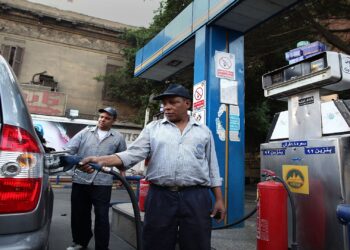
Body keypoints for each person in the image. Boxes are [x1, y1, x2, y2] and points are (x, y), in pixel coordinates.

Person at [81, 84, 226, 250]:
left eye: (173, 102)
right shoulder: (153, 129)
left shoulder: (203, 132)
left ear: (187, 103)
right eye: (165, 103)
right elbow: (132, 154)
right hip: (160, 196)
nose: (167, 107)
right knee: (156, 242)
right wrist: (101, 160)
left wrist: (219, 199)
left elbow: (212, 166)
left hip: (196, 196)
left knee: (197, 243)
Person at [65, 107, 127, 250]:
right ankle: (80, 242)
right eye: (101, 117)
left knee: (102, 216)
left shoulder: (118, 137)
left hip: (103, 182)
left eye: (107, 118)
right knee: (80, 214)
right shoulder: (85, 132)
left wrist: (122, 175)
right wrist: (78, 162)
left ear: (114, 121)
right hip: (81, 179)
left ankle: (102, 246)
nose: (102, 120)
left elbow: (122, 158)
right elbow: (69, 150)